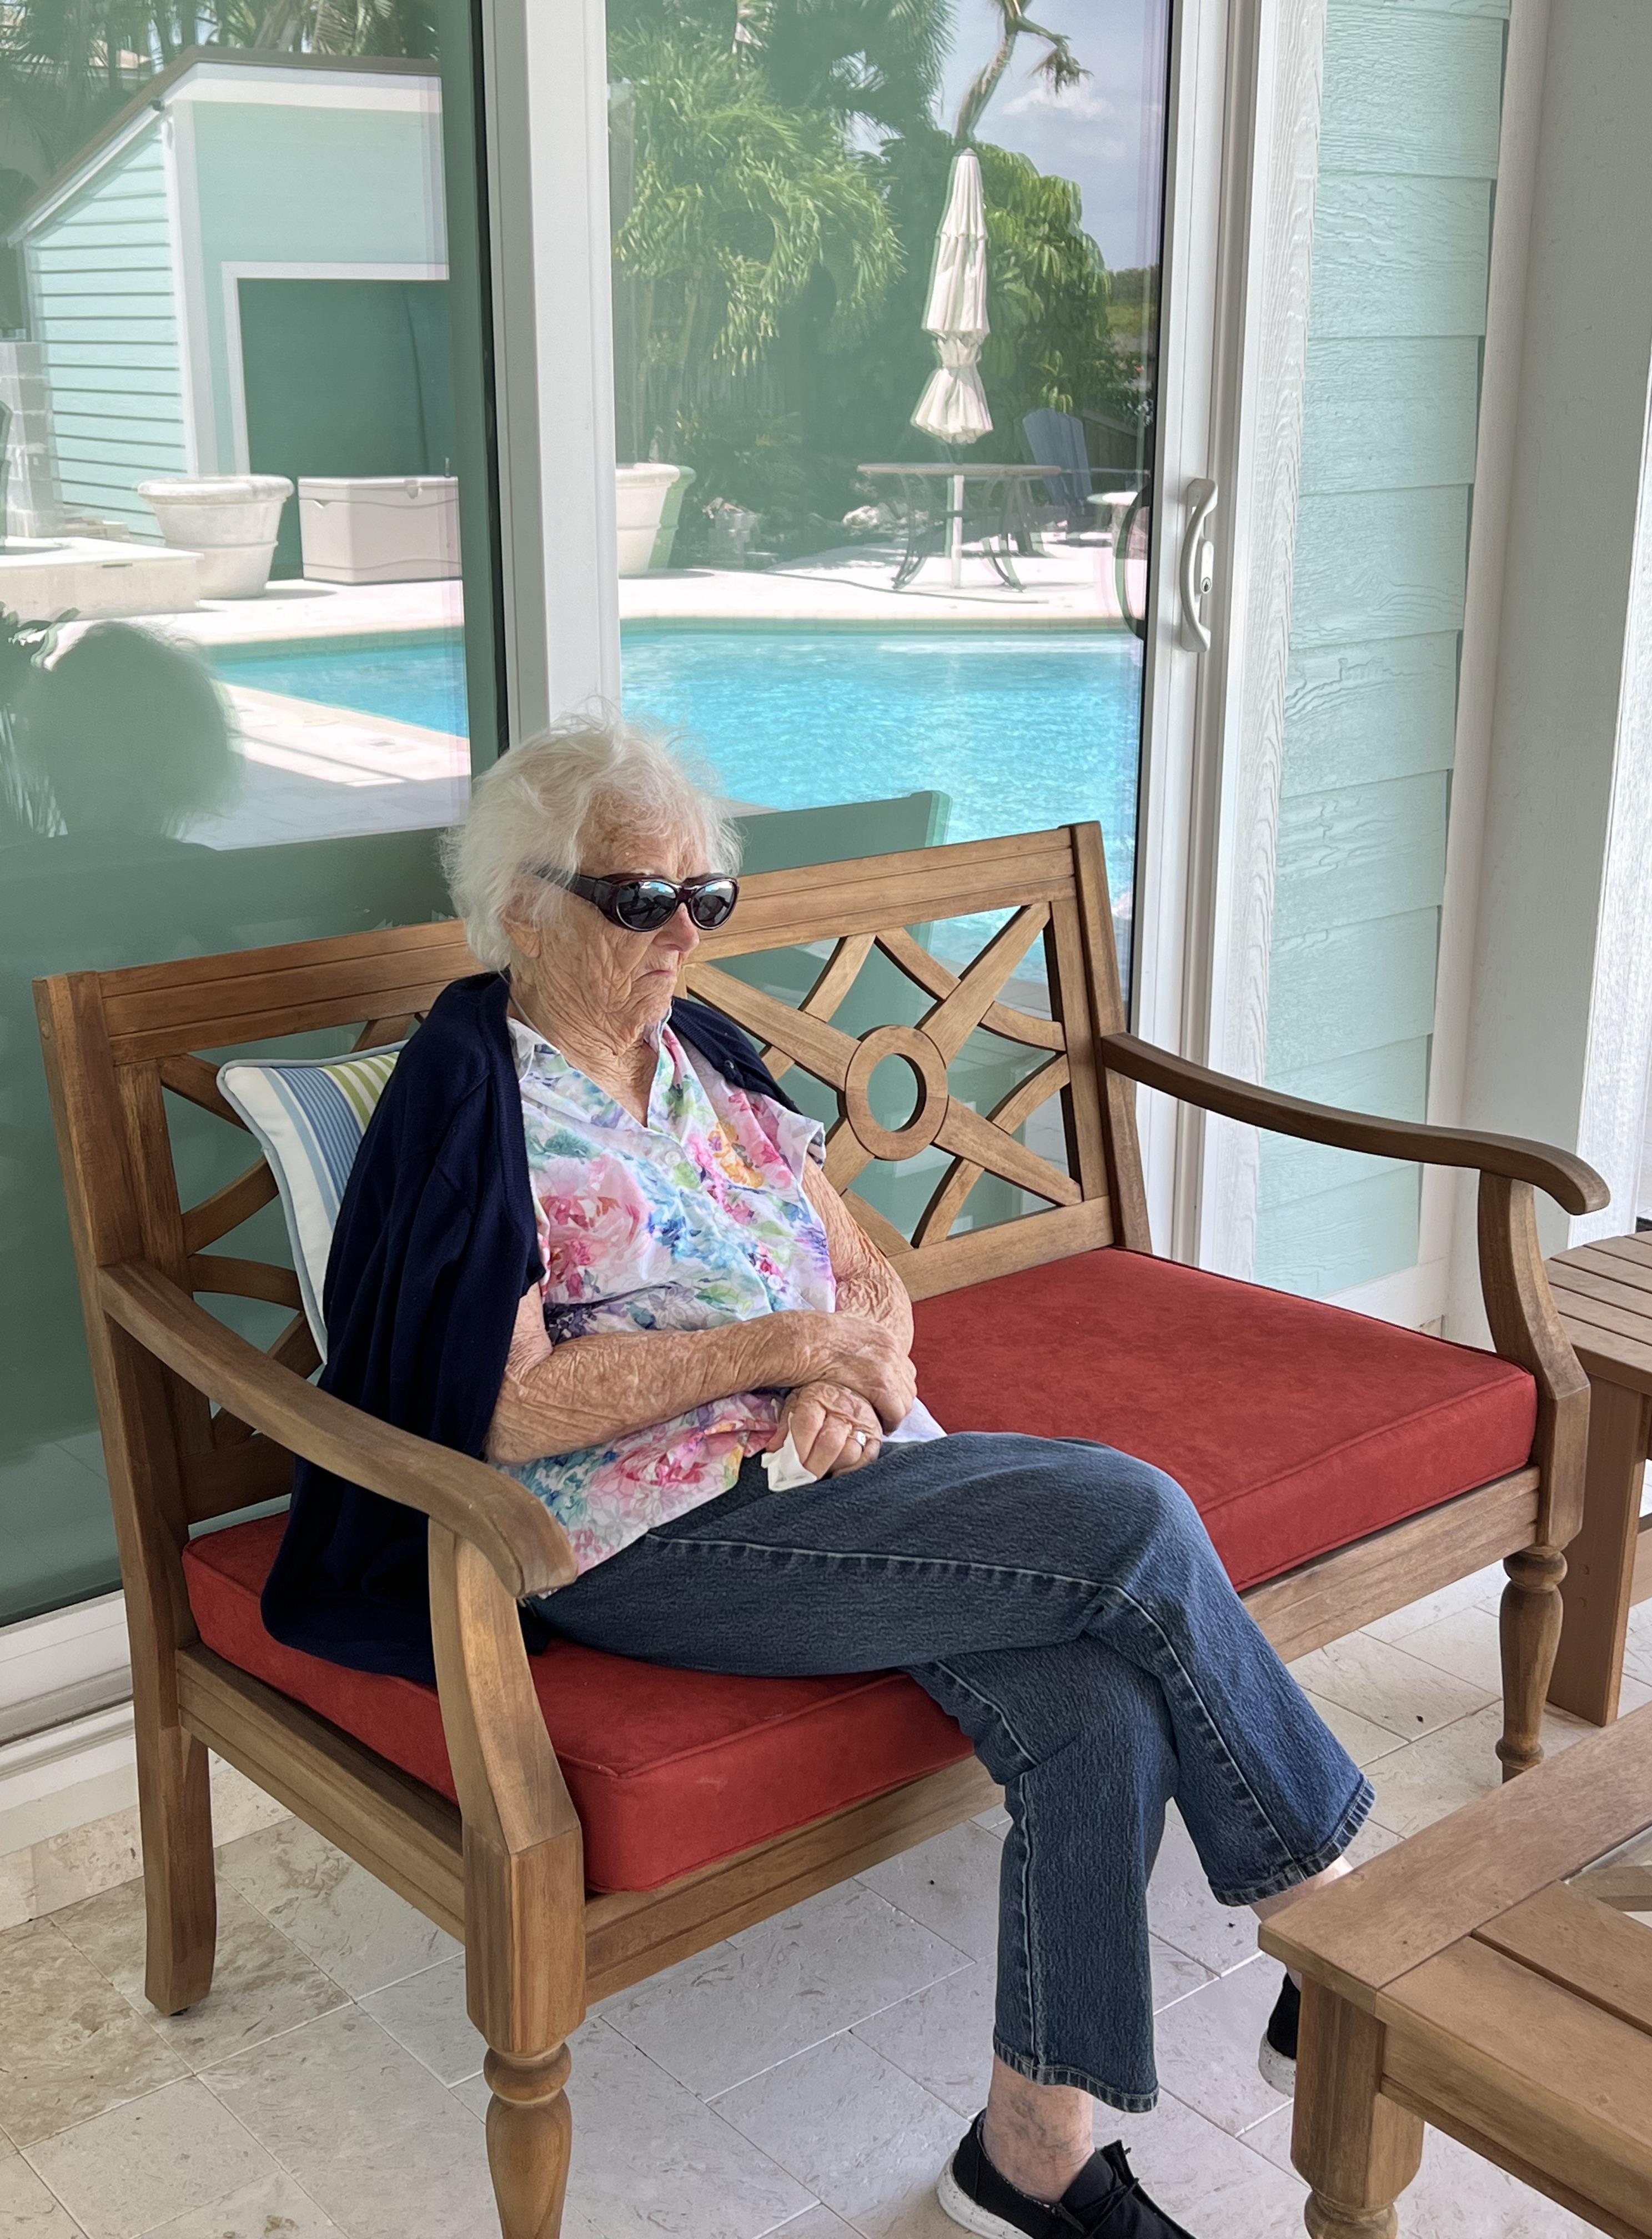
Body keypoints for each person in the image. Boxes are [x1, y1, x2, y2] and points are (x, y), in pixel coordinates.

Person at [263, 716, 1373, 2239]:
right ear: (521, 904)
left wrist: (869, 1379)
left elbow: (867, 1265)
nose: (680, 936)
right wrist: (784, 1353)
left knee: (1098, 1707)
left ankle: (1030, 2165)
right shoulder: (479, 1100)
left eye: (705, 900)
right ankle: (1326, 1925)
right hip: (655, 1538)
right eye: (636, 899)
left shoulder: (703, 1059)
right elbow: (505, 1411)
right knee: (1131, 1516)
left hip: (833, 1482)